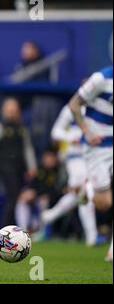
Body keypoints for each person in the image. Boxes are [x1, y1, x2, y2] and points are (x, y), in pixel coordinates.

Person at [68, 65, 113, 261]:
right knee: (105, 204)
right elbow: (74, 104)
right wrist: (87, 132)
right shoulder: (101, 78)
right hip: (97, 146)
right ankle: (89, 189)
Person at [37, 105, 99, 246]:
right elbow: (55, 132)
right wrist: (71, 137)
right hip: (74, 157)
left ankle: (50, 215)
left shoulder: (101, 105)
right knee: (85, 192)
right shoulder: (71, 108)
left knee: (80, 194)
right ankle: (92, 236)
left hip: (92, 156)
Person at [0, 97, 37, 226]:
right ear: (3, 111)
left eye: (15, 110)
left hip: (19, 169)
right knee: (13, 198)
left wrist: (31, 166)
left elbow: (27, 148)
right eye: (9, 110)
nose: (12, 113)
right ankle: (6, 228)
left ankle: (18, 227)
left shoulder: (22, 129)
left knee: (19, 199)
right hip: (4, 168)